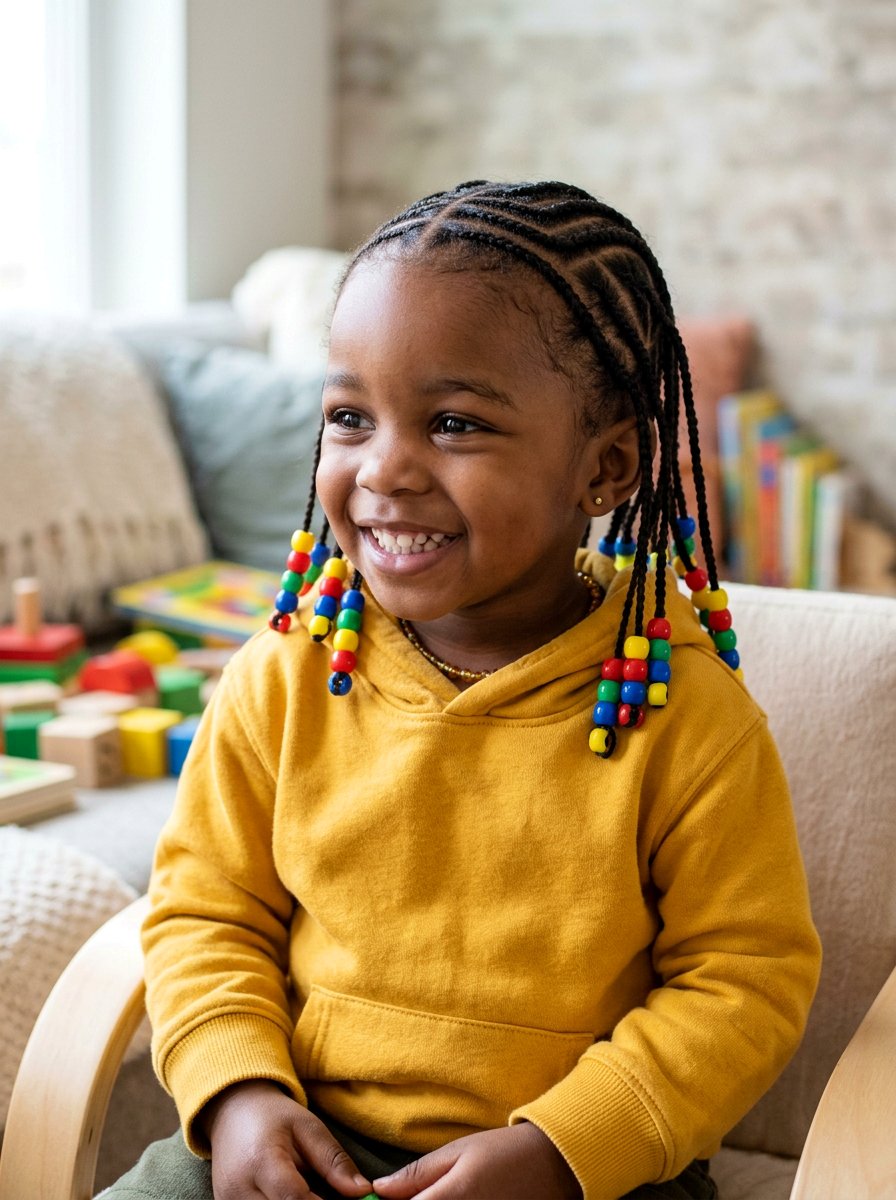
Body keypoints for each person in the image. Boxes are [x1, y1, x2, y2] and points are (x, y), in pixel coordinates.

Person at [103, 181, 821, 1200]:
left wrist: (562, 1149)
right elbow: (204, 914)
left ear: (606, 467)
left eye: (452, 422)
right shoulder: (284, 676)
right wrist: (237, 1094)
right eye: (349, 416)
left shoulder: (686, 716)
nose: (384, 468)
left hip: (581, 1168)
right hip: (300, 1134)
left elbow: (743, 984)